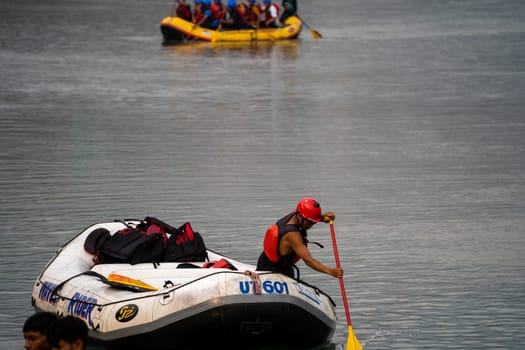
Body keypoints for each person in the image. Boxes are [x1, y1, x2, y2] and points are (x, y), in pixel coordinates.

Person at [256, 198, 344, 279]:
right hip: (271, 268)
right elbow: (308, 260)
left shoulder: (293, 214)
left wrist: (322, 217)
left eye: (314, 222)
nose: (311, 225)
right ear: (299, 216)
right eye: (309, 222)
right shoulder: (293, 235)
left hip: (276, 263)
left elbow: (308, 216)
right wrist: (330, 271)